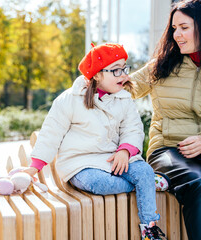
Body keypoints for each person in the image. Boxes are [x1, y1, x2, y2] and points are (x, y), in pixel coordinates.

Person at [23, 43, 167, 240]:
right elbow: (51, 133)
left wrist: (125, 151)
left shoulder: (124, 99)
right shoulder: (70, 100)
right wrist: (35, 166)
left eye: (125, 68)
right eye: (116, 70)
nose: (124, 75)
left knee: (144, 171)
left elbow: (133, 129)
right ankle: (145, 185)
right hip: (82, 163)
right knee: (101, 184)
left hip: (116, 158)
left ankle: (149, 229)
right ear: (97, 75)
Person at [128, 0, 201, 239]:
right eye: (174, 28)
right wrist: (90, 81)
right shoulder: (163, 65)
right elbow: (122, 87)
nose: (177, 34)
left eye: (184, 27)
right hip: (169, 151)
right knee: (199, 182)